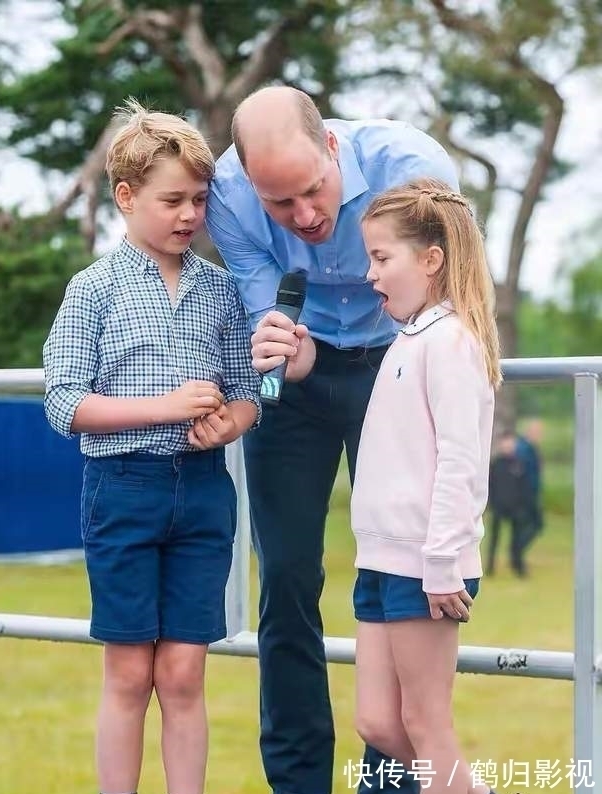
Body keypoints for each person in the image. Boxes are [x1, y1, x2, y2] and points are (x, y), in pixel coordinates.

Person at [206, 85, 459, 794]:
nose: (306, 217)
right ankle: (298, 782)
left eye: (313, 192)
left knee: (398, 574)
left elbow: (445, 301)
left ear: (332, 147)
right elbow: (269, 304)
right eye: (279, 205)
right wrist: (293, 349)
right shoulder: (227, 192)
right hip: (299, 375)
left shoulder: (416, 169)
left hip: (397, 359)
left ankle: (393, 780)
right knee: (285, 578)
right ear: (250, 184)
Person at [43, 99, 260, 794]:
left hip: (202, 492)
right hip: (122, 492)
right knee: (131, 670)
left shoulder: (223, 292)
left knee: (185, 671)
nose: (190, 214)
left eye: (199, 199)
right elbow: (64, 404)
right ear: (127, 196)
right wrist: (163, 408)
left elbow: (248, 390)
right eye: (173, 200)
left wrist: (233, 422)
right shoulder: (91, 290)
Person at [350, 178, 501, 794]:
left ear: (431, 259)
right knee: (379, 722)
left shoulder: (452, 343)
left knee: (424, 723)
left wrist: (441, 561)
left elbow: (461, 464)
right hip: (381, 559)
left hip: (427, 565)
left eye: (382, 258)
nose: (370, 275)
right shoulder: (406, 340)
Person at [486, 432, 536, 577]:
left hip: (516, 508)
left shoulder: (519, 463)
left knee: (516, 539)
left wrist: (524, 504)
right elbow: (490, 484)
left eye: (510, 442)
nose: (507, 445)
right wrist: (491, 503)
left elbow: (525, 486)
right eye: (505, 442)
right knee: (494, 538)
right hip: (498, 507)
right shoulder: (496, 463)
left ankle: (518, 566)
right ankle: (490, 567)